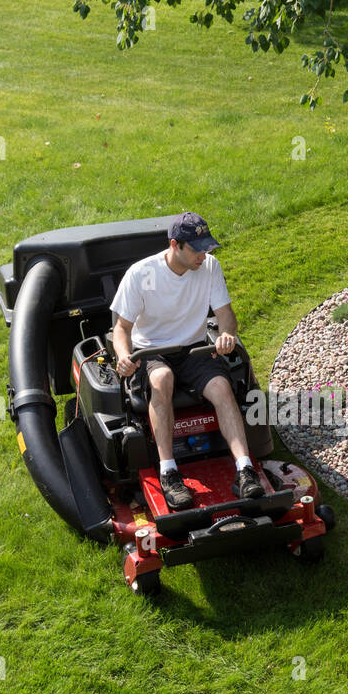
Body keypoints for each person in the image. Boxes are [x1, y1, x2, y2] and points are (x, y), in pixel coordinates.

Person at [110, 212, 265, 510]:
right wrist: (123, 356)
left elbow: (225, 316)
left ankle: (244, 470)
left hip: (193, 348)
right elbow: (122, 328)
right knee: (162, 379)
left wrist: (226, 335)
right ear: (175, 245)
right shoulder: (142, 274)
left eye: (207, 247)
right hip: (151, 351)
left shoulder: (209, 267)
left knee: (222, 386)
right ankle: (169, 472)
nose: (204, 255)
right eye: (197, 249)